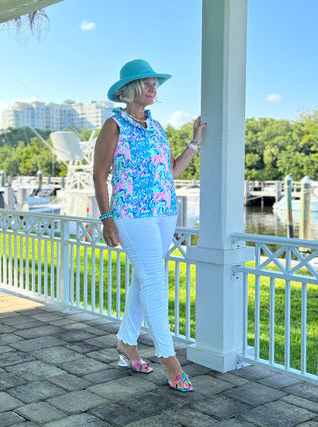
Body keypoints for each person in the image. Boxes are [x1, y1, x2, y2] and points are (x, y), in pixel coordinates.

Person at [93, 59, 206, 392]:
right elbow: (99, 176)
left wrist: (195, 140)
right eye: (147, 83)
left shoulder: (158, 129)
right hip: (131, 213)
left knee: (144, 279)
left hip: (164, 211)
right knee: (154, 278)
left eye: (156, 83)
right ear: (129, 90)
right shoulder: (114, 125)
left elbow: (170, 171)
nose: (154, 89)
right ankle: (169, 358)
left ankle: (127, 343)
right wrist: (105, 218)